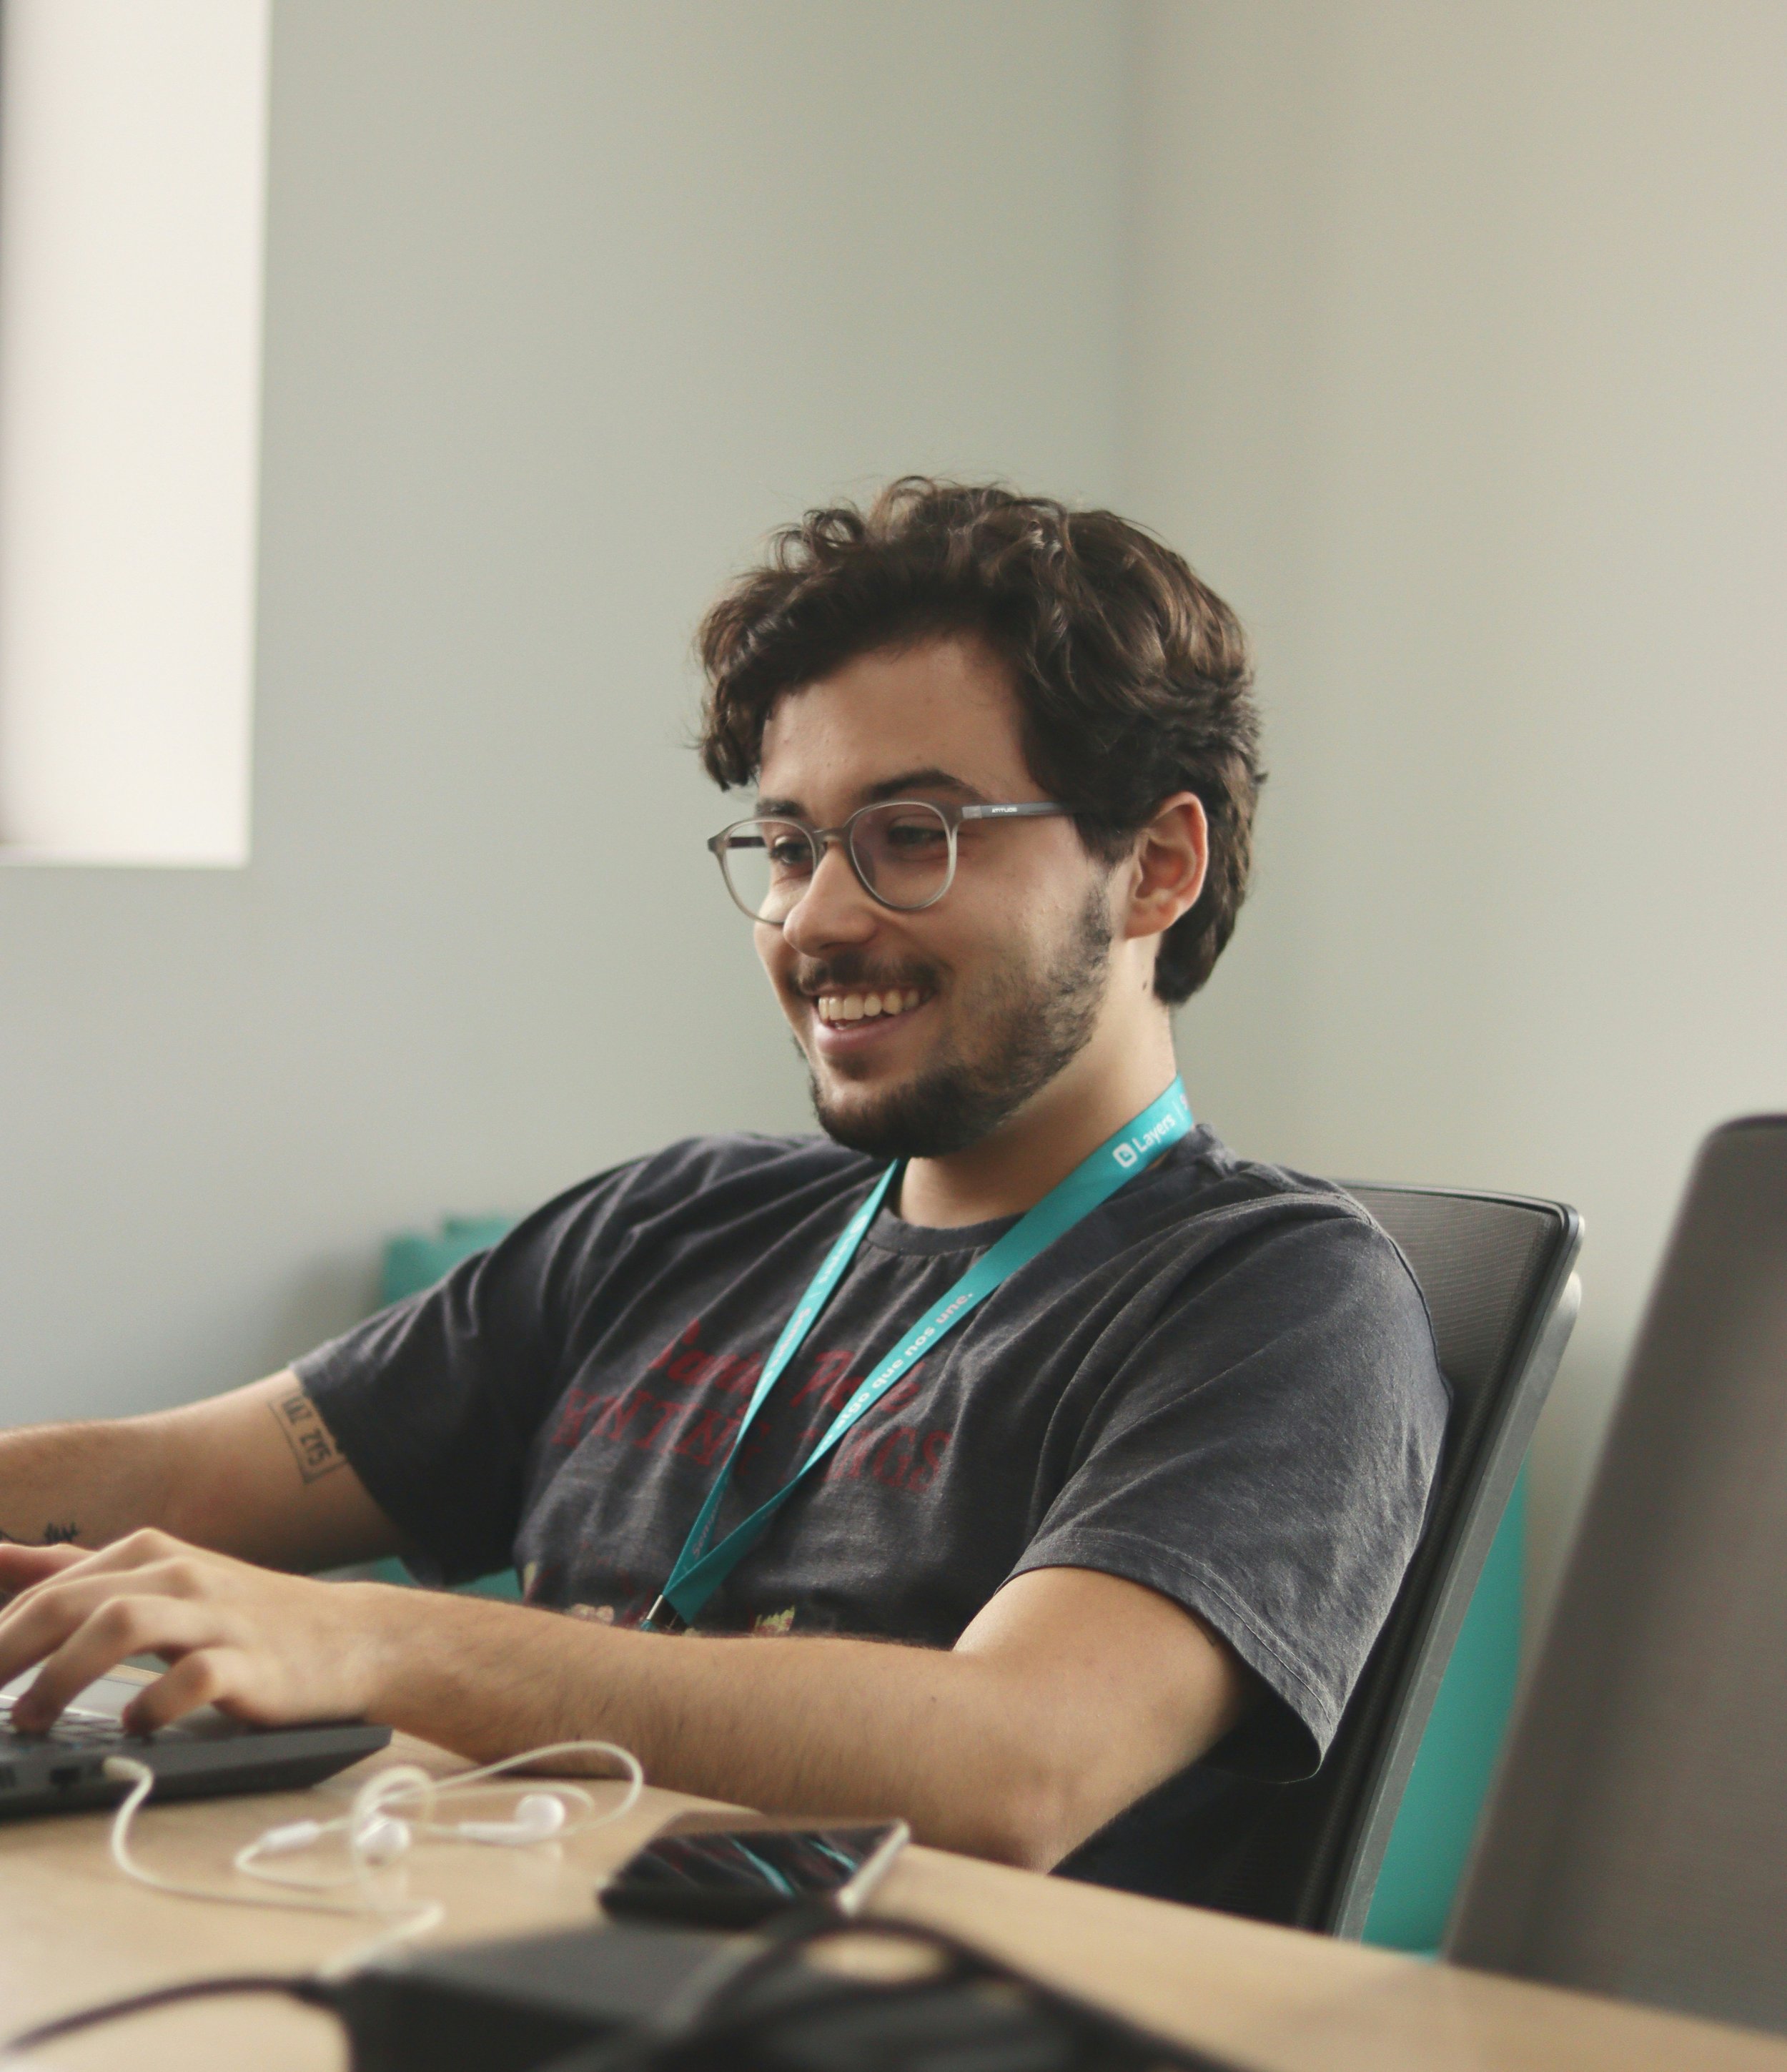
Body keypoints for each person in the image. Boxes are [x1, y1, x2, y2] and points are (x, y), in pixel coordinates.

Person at [0, 481, 1445, 1899]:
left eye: (914, 834)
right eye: (791, 845)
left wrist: (373, 1644)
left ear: (1155, 867)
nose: (815, 917)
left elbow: (1016, 1763)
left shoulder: (1286, 1300)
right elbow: (179, 1479)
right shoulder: (669, 1223)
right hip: (494, 1963)